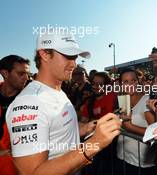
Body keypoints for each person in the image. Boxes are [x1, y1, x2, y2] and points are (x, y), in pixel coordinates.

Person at [5, 32, 121, 174]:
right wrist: (92, 145)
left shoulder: (57, 90)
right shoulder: (28, 103)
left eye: (75, 57)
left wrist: (87, 128)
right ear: (45, 54)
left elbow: (57, 129)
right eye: (68, 56)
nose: (74, 64)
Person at [116, 68, 157, 175]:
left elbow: (155, 133)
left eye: (133, 80)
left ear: (138, 82)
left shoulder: (147, 101)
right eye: (125, 82)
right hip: (122, 156)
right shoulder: (123, 100)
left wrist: (129, 127)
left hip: (141, 163)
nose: (130, 84)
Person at [0, 55, 30, 175]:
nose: (26, 78)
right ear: (5, 73)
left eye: (27, 73)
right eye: (21, 74)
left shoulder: (31, 101)